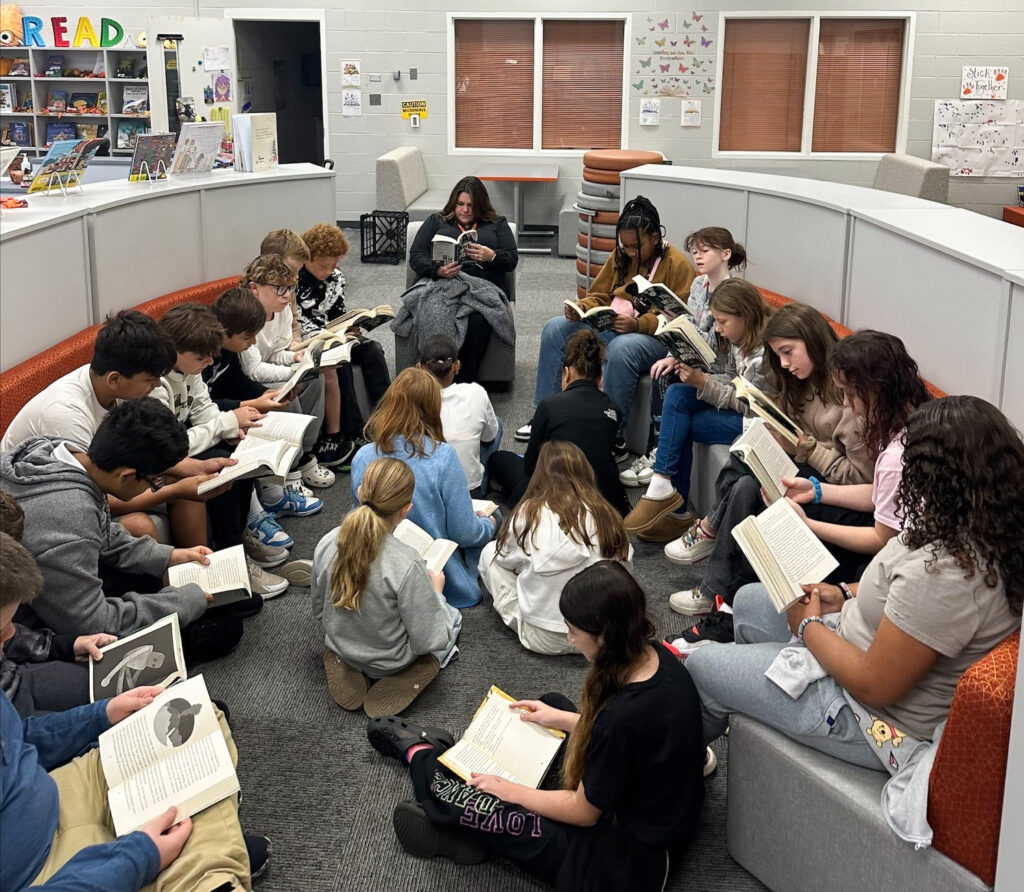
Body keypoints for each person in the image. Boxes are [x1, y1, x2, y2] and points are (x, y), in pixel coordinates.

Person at [685, 396, 1022, 776]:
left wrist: (808, 627)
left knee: (701, 666)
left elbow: (874, 685)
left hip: (870, 716)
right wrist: (844, 592)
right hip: (854, 640)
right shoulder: (982, 527)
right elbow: (902, 594)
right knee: (748, 600)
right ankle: (756, 703)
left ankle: (677, 777)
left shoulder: (947, 576)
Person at [365, 561, 706, 891]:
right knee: (554, 706)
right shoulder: (658, 657)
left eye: (574, 632)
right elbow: (632, 739)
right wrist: (561, 719)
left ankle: (421, 754)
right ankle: (469, 830)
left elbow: (584, 812)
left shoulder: (620, 719)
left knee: (482, 800)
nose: (571, 639)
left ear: (603, 636)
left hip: (624, 864)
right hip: (661, 819)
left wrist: (510, 792)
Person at [0, 531, 266, 890]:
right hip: (39, 874)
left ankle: (206, 853)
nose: (12, 636)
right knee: (213, 881)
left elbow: (18, 737)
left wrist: (102, 714)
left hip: (47, 796)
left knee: (196, 716)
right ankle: (207, 856)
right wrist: (139, 857)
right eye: (1, 629)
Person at [669, 329, 933, 652]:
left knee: (769, 508)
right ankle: (728, 608)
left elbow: (882, 537)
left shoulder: (894, 450)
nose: (849, 403)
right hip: (879, 530)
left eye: (852, 393)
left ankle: (728, 613)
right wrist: (817, 492)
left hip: (882, 552)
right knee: (756, 490)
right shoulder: (900, 423)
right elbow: (878, 494)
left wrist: (807, 523)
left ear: (874, 386)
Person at [666, 303, 875, 604]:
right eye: (778, 355)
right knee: (746, 465)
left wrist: (806, 449)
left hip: (836, 493)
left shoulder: (850, 399)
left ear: (813, 341)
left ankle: (712, 542)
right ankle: (717, 592)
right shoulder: (800, 381)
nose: (784, 363)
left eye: (788, 352)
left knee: (747, 483)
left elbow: (859, 480)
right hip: (807, 470)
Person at [0, 400, 241, 655]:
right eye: (155, 481)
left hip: (46, 589)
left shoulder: (56, 452)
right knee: (224, 628)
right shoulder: (71, 512)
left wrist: (167, 555)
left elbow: (99, 532)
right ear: (126, 475)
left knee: (175, 591)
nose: (155, 486)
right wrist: (183, 602)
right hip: (25, 628)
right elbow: (91, 623)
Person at [517, 196, 695, 457]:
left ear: (655, 238)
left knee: (621, 349)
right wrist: (583, 308)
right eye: (625, 246)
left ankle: (613, 435)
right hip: (616, 324)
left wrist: (638, 324)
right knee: (554, 329)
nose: (631, 252)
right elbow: (600, 294)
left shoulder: (677, 264)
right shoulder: (620, 256)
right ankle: (545, 415)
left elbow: (680, 320)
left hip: (654, 338)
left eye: (637, 246)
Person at [0, 310, 186, 540]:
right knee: (140, 526)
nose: (157, 384)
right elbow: (98, 490)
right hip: (28, 508)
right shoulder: (65, 415)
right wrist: (176, 489)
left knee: (190, 482)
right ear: (114, 379)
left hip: (86, 487)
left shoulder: (112, 386)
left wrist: (184, 468)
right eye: (150, 379)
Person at [625, 279, 773, 542]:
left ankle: (673, 504)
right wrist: (702, 379)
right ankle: (665, 488)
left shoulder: (763, 356)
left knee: (681, 427)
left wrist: (704, 383)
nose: (717, 328)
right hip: (741, 409)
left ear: (744, 315)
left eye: (722, 321)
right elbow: (730, 376)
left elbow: (752, 406)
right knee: (679, 393)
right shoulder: (737, 337)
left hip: (756, 424)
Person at [312, 457, 461, 717]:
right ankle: (407, 673)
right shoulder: (406, 562)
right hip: (390, 662)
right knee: (452, 618)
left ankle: (346, 660)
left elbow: (317, 608)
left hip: (341, 642)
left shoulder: (327, 541)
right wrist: (436, 591)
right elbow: (430, 638)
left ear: (360, 492)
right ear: (406, 510)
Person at [350, 368, 496, 608]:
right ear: (433, 407)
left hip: (378, 570)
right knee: (493, 517)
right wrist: (488, 526)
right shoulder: (443, 456)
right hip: (437, 574)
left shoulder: (364, 456)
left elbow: (360, 515)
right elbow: (464, 533)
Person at [620, 226, 746, 487]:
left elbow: (719, 343)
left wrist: (682, 327)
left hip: (719, 368)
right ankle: (656, 455)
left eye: (704, 251)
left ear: (725, 254)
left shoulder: (735, 294)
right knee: (663, 370)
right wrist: (672, 349)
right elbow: (693, 323)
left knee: (674, 383)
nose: (697, 257)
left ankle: (659, 461)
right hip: (695, 356)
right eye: (695, 252)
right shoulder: (700, 284)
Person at [480, 441, 632, 655]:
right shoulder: (606, 512)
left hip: (545, 637)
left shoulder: (528, 513)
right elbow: (625, 567)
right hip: (601, 634)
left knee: (490, 554)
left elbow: (504, 558)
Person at [489, 329, 630, 515]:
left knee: (499, 459)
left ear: (567, 373)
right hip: (601, 497)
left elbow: (532, 464)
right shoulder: (614, 410)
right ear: (600, 380)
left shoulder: (549, 405)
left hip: (554, 495)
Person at [0, 491, 114, 717]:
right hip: (17, 727)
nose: (11, 630)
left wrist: (64, 646)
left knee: (97, 683)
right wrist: (100, 718)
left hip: (16, 680)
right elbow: (22, 739)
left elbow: (12, 636)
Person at [239, 255, 328, 518]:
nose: (286, 295)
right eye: (280, 289)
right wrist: (292, 371)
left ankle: (305, 454)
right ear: (255, 288)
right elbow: (253, 370)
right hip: (251, 382)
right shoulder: (247, 314)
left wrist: (294, 359)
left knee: (315, 376)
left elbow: (276, 351)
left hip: (272, 371)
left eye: (289, 289)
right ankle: (291, 469)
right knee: (285, 386)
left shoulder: (282, 309)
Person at [405, 176, 518, 383]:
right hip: (442, 284)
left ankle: (464, 382)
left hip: (480, 288)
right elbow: (416, 255)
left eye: (470, 206)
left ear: (481, 205)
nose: (465, 210)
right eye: (460, 204)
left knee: (478, 322)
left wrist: (490, 256)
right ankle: (431, 381)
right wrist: (437, 270)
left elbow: (511, 259)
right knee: (435, 314)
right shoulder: (436, 221)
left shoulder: (497, 224)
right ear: (453, 203)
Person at [297, 223, 392, 463]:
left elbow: (339, 314)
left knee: (372, 349)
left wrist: (352, 328)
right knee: (341, 360)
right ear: (309, 257)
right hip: (311, 342)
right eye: (322, 266)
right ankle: (355, 431)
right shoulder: (295, 282)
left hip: (335, 335)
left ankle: (388, 415)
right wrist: (333, 338)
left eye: (332, 265)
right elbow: (300, 325)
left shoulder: (337, 277)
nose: (328, 271)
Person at [417, 334, 500, 495]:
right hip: (469, 489)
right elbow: (489, 439)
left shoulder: (409, 400)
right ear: (456, 366)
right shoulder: (476, 392)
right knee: (496, 423)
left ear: (420, 367)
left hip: (424, 491)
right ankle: (485, 475)